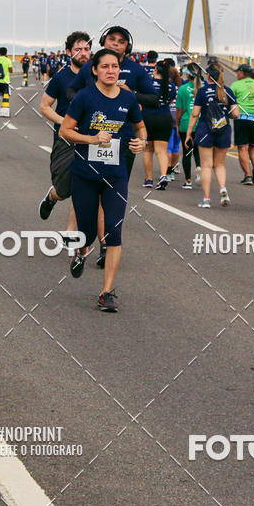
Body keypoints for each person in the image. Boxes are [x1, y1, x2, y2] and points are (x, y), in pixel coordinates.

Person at [59, 48, 146, 312]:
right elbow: (65, 130)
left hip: (115, 176)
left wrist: (141, 142)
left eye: (115, 66)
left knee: (113, 232)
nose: (111, 71)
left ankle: (106, 292)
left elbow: (140, 127)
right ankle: (82, 250)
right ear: (95, 70)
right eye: (105, 66)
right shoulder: (85, 97)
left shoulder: (128, 99)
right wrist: (91, 139)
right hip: (85, 175)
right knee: (86, 232)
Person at [38, 32, 92, 230]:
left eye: (87, 49)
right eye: (78, 49)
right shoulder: (61, 77)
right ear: (69, 52)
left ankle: (70, 233)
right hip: (66, 140)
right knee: (63, 190)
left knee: (83, 187)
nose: (83, 53)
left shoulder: (97, 76)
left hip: (91, 139)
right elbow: (44, 107)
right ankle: (52, 197)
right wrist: (64, 122)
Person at [185, 62, 238, 207]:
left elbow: (195, 114)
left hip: (205, 130)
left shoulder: (202, 91)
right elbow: (236, 113)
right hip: (223, 130)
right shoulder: (228, 91)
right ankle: (223, 188)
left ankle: (206, 199)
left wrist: (189, 133)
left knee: (206, 166)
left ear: (208, 75)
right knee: (220, 164)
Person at [141, 60, 178, 189]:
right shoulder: (171, 86)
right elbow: (170, 100)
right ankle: (163, 176)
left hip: (148, 117)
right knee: (161, 151)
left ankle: (149, 179)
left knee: (148, 150)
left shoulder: (147, 83)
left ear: (155, 70)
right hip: (164, 118)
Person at [176, 63, 202, 189]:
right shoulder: (203, 88)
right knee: (198, 150)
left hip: (186, 123)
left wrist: (177, 123)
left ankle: (188, 181)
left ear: (187, 74)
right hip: (201, 124)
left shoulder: (182, 88)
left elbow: (179, 110)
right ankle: (199, 167)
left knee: (186, 152)